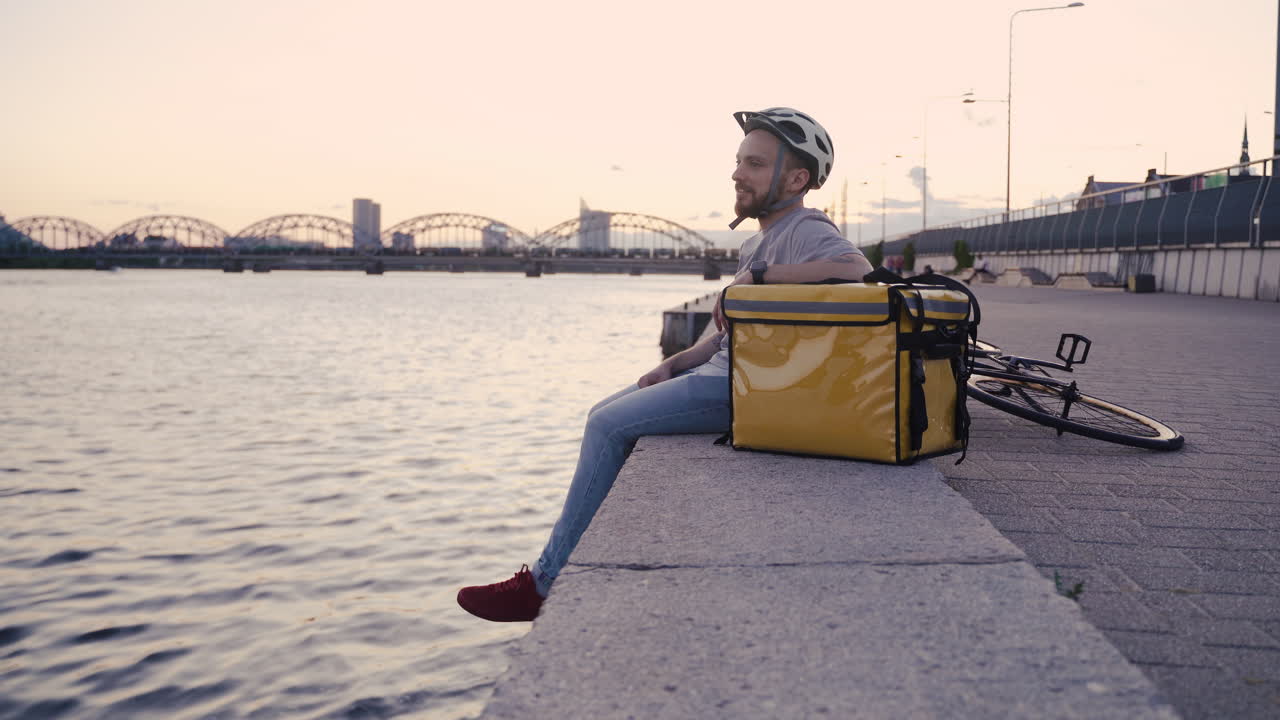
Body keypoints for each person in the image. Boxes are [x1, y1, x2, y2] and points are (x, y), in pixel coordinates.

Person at [456, 107, 874, 622]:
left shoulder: (804, 227)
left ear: (797, 178)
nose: (738, 174)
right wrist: (676, 362)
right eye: (739, 162)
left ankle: (544, 584)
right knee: (607, 409)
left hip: (753, 390)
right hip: (729, 373)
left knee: (606, 425)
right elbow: (728, 333)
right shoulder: (756, 240)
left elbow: (857, 268)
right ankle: (585, 557)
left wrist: (758, 277)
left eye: (755, 164)